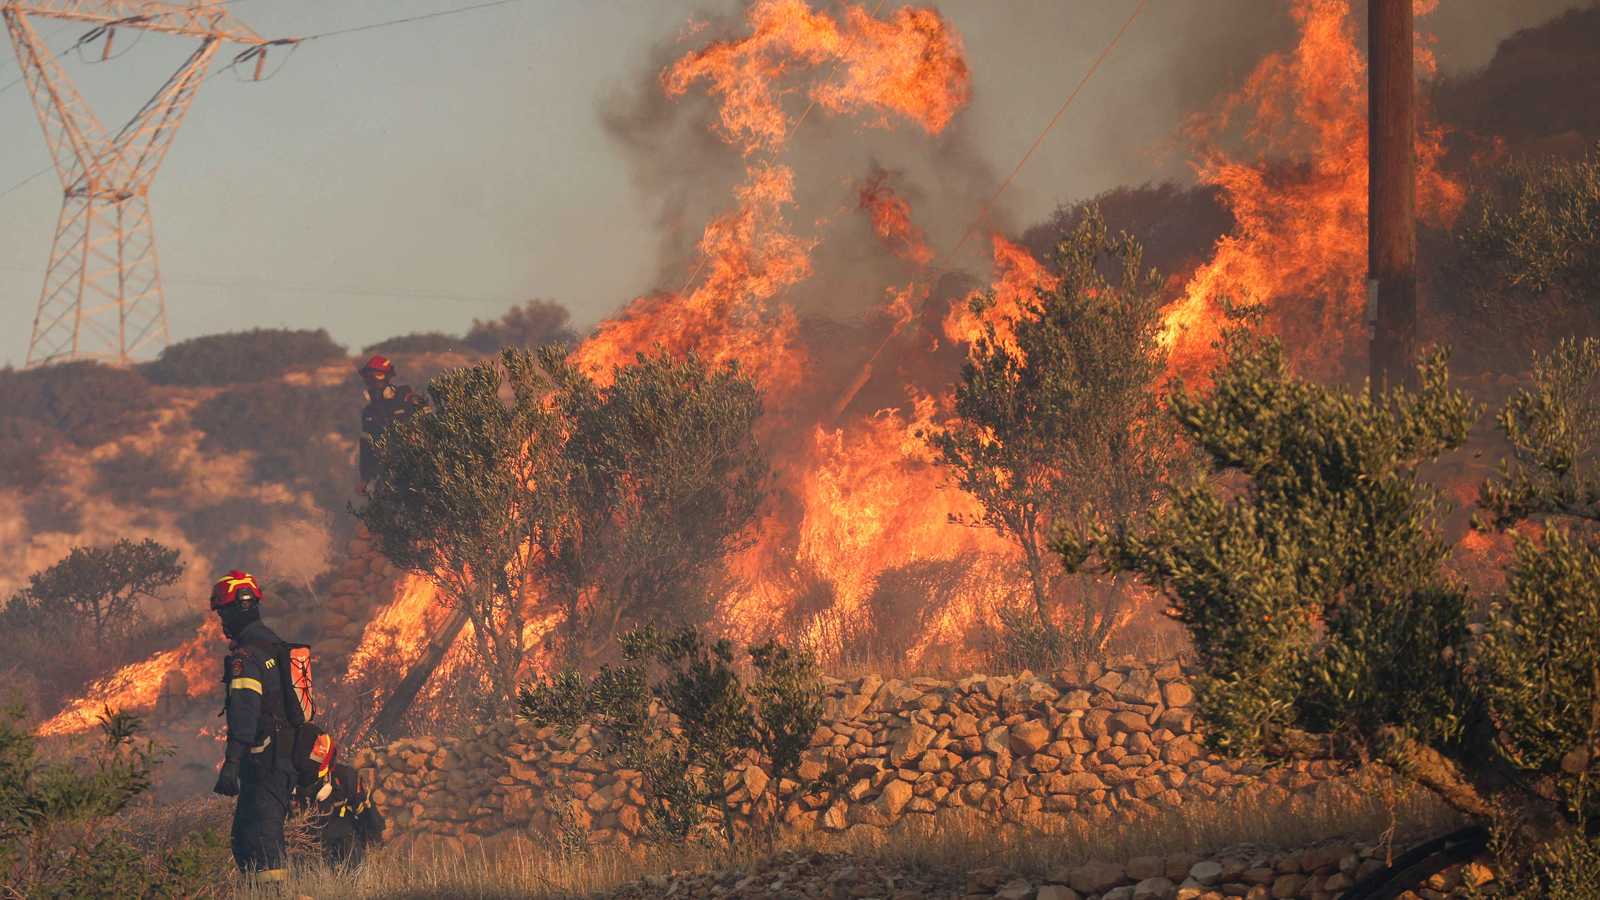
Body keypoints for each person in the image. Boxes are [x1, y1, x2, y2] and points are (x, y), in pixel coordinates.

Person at [210, 570, 296, 884]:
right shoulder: (275, 645)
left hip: (264, 759)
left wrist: (231, 764)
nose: (222, 622)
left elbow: (245, 715)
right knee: (246, 835)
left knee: (261, 835)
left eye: (222, 613)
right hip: (282, 754)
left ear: (235, 610)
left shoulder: (245, 657)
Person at [357, 355, 425, 492]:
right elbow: (366, 448)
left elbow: (428, 424)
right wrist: (365, 479)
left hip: (417, 467)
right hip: (388, 474)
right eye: (369, 376)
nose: (374, 380)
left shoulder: (406, 398)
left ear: (388, 376)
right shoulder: (369, 413)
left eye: (378, 374)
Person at [298, 760, 385, 866]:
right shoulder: (345, 778)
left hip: (337, 828)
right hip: (325, 828)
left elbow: (375, 823)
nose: (367, 783)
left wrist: (367, 805)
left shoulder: (361, 793)